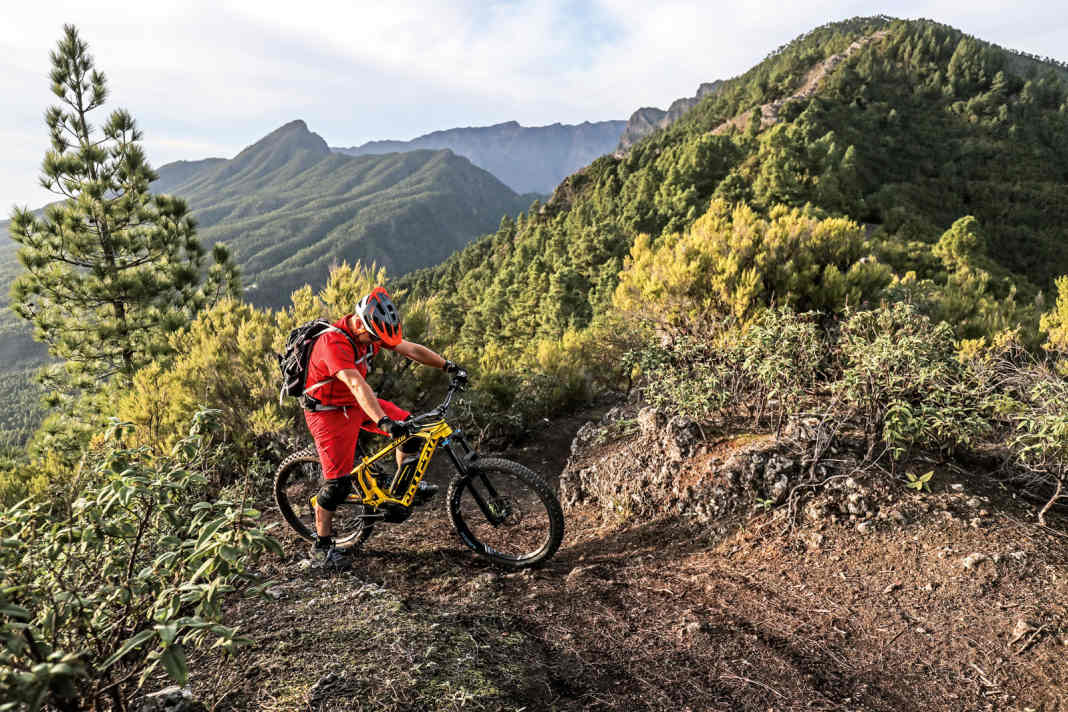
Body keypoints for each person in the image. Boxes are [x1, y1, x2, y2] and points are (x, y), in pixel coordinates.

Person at [303, 286, 466, 570]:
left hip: (356, 402)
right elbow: (356, 383)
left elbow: (410, 349)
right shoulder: (333, 343)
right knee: (337, 487)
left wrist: (448, 366)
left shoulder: (371, 334)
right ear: (360, 324)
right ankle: (322, 546)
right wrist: (383, 421)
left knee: (411, 433)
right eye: (375, 338)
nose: (377, 344)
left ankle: (399, 490)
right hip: (328, 412)